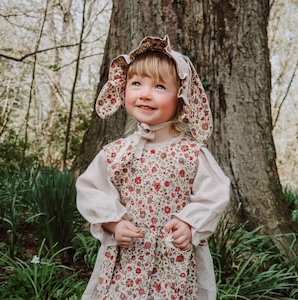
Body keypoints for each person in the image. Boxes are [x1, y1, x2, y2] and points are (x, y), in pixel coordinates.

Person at [76, 35, 230, 300]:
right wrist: (113, 222)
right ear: (123, 91)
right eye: (136, 83)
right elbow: (91, 189)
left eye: (159, 87)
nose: (145, 93)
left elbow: (213, 194)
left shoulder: (191, 154)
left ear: (181, 99)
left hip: (173, 263)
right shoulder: (116, 153)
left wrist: (189, 224)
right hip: (128, 260)